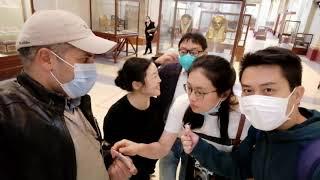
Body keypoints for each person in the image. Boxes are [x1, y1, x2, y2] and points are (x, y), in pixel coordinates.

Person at [0, 10, 137, 180]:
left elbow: (74, 148)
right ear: (46, 59)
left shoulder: (72, 97)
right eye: (85, 59)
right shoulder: (8, 116)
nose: (92, 66)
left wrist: (107, 159)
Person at [181, 47, 320, 180]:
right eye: (248, 90)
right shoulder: (259, 130)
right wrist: (198, 146)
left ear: (297, 95)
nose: (256, 100)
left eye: (268, 90)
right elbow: (238, 167)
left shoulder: (314, 154)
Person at [112, 55, 251, 180]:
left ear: (224, 94)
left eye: (200, 92)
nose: (192, 97)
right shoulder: (182, 104)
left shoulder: (245, 118)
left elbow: (244, 169)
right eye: (189, 88)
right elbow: (162, 147)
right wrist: (138, 148)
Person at [156, 33, 208, 180]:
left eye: (194, 52)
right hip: (169, 137)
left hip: (195, 140)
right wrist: (156, 63)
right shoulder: (169, 71)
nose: (187, 56)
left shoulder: (212, 77)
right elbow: (144, 79)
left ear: (205, 53)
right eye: (183, 51)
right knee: (166, 175)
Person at [103, 57, 163, 180]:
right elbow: (112, 154)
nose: (160, 80)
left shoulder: (157, 106)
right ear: (136, 84)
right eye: (154, 76)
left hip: (146, 173)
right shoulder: (116, 114)